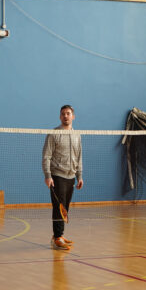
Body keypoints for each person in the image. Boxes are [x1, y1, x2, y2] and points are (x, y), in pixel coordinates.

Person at [42, 105, 83, 251]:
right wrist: (48, 176)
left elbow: (79, 156)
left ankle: (58, 235)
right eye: (63, 114)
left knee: (64, 207)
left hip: (71, 175)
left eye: (68, 113)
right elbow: (46, 156)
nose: (66, 116)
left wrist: (79, 175)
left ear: (73, 116)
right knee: (58, 207)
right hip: (57, 175)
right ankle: (57, 237)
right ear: (60, 117)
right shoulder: (54, 134)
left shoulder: (77, 135)